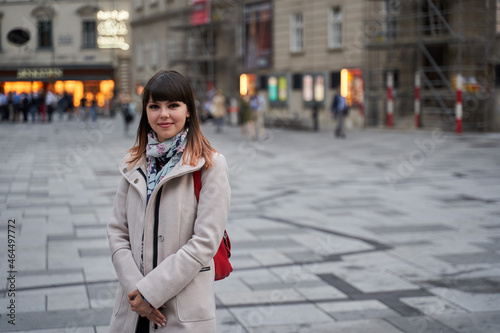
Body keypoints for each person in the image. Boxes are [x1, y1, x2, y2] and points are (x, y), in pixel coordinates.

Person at [107, 70, 231, 333]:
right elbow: (118, 231)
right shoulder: (133, 162)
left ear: (188, 111)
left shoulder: (209, 164)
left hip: (179, 311)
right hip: (132, 311)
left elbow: (205, 242)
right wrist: (135, 291)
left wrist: (151, 292)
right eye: (155, 106)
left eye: (173, 105)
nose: (163, 114)